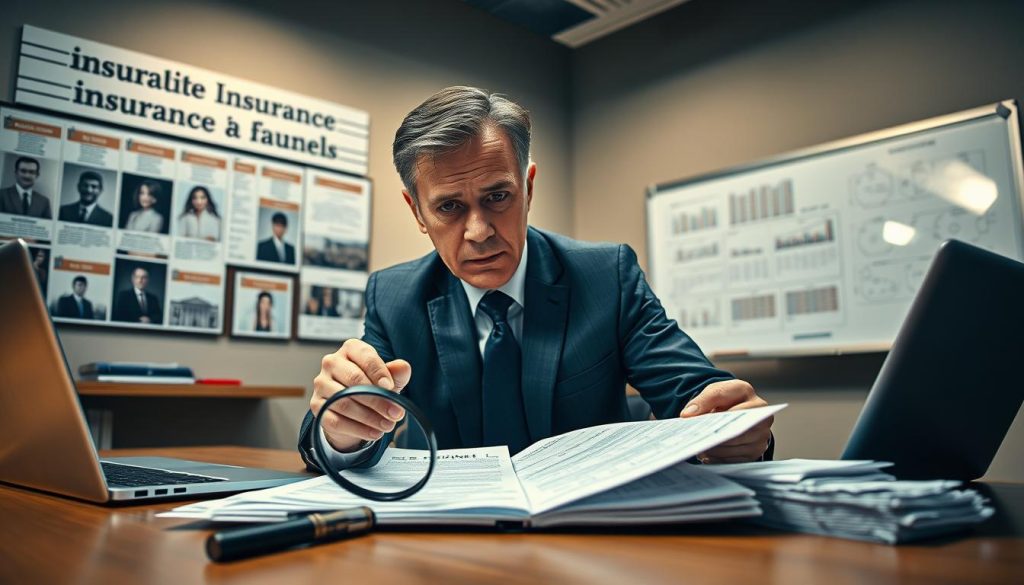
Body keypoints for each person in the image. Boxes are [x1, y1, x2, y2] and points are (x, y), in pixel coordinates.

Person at [298, 86, 774, 472]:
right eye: (449, 206)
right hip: (448, 536)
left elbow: (699, 397)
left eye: (497, 197)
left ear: (527, 186)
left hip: (593, 531)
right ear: (417, 212)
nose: (479, 232)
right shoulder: (394, 296)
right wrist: (340, 431)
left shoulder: (607, 277)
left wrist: (734, 429)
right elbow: (345, 425)